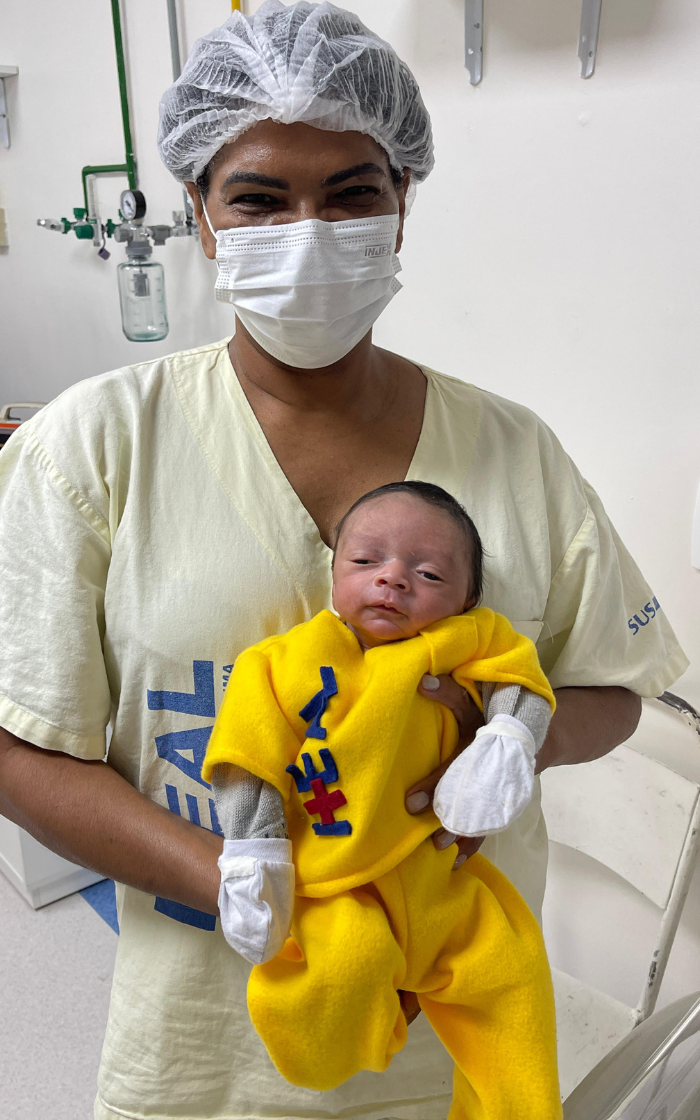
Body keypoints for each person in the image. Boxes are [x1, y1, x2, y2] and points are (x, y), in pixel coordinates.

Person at [0, 3, 686, 1119]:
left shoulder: (512, 451)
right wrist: (226, 870)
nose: (308, 230)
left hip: (451, 1029)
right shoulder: (93, 447)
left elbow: (613, 680)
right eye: (260, 198)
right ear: (202, 216)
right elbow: (22, 747)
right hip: (207, 1046)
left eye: (352, 193)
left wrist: (515, 740)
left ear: (402, 205)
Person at [204, 481, 561, 1120]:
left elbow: (523, 683)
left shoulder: (469, 638)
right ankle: (337, 1047)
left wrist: (504, 739)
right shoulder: (287, 660)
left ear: (466, 598)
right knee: (338, 971)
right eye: (366, 562)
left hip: (443, 878)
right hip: (338, 885)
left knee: (514, 980)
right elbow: (248, 752)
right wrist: (253, 851)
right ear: (334, 571)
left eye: (426, 573)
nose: (393, 580)